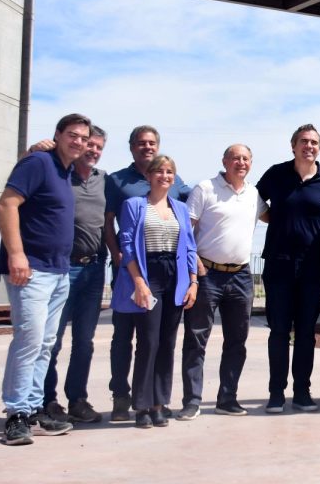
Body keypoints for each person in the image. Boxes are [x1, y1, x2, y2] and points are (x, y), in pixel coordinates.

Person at [0, 113, 91, 445]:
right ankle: (16, 415)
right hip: (31, 269)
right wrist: (16, 254)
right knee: (29, 341)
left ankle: (34, 410)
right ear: (57, 135)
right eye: (72, 135)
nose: (78, 141)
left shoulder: (64, 171)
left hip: (57, 271)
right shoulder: (38, 161)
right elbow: (7, 204)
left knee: (45, 345)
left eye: (83, 137)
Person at [104, 125, 189, 421]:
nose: (164, 177)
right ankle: (139, 403)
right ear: (148, 177)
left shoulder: (179, 206)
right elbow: (126, 242)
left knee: (167, 341)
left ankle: (160, 402)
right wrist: (138, 281)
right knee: (147, 341)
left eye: (169, 173)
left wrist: (191, 281)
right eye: (159, 172)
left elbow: (188, 246)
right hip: (145, 273)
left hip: (174, 276)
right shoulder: (132, 202)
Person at [177, 144, 269, 420]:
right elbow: (185, 229)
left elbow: (274, 218)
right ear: (224, 161)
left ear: (251, 163)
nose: (241, 163)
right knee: (196, 339)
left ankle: (227, 399)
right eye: (235, 158)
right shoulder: (205, 189)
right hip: (208, 275)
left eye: (246, 159)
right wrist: (195, 266)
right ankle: (192, 401)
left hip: (241, 275)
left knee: (237, 341)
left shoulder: (253, 194)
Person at [256, 124, 320, 414]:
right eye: (304, 141)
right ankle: (276, 393)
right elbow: (255, 205)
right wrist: (277, 220)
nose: (309, 146)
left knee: (305, 332)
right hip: (278, 264)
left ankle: (302, 392)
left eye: (314, 142)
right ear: (293, 145)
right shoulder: (275, 174)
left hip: (313, 267)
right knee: (279, 330)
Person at [38, 125, 109, 424]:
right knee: (51, 340)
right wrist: (35, 149)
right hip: (63, 268)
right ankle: (47, 400)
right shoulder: (58, 172)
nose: (92, 150)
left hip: (94, 270)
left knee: (85, 340)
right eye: (88, 144)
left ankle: (77, 399)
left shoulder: (105, 180)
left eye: (98, 147)